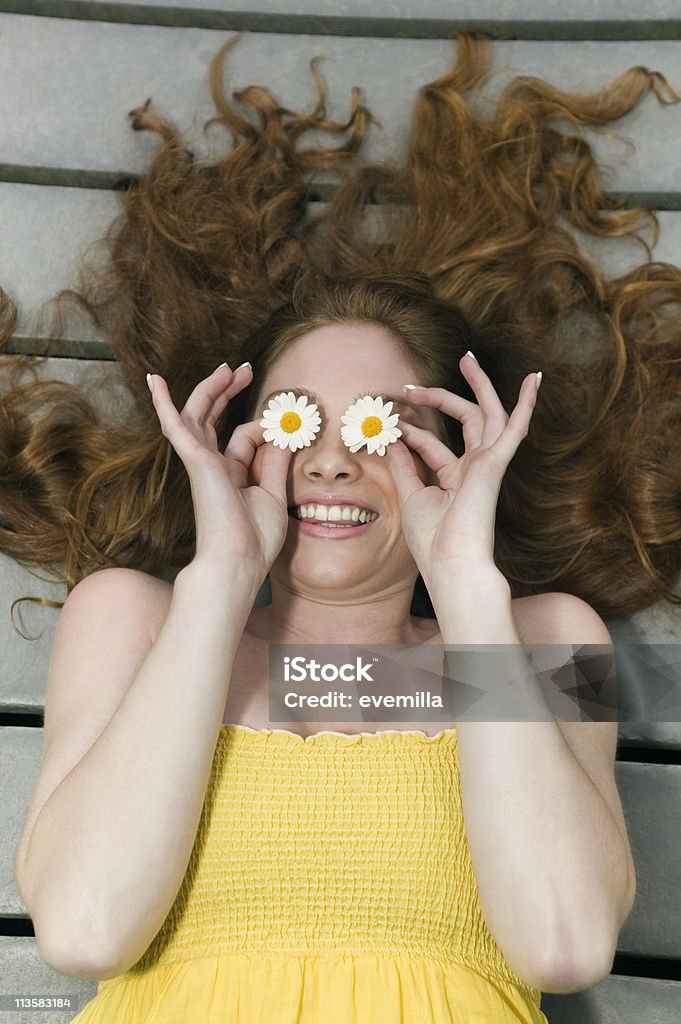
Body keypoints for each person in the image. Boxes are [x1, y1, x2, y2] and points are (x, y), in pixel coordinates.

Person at [5, 28, 680, 1024]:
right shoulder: (136, 621)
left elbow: (566, 942)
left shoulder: (545, 639)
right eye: (293, 421)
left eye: (382, 425)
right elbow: (86, 928)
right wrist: (222, 581)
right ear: (238, 442)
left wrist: (468, 590)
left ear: (458, 452)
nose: (330, 458)